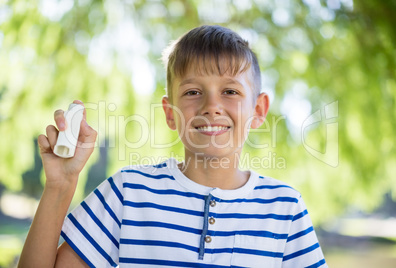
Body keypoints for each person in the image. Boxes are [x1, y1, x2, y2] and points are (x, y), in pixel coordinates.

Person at [19, 25, 327, 267]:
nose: (212, 106)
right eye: (193, 91)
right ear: (170, 113)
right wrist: (60, 186)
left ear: (258, 111)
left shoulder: (285, 209)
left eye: (230, 91)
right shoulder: (128, 194)